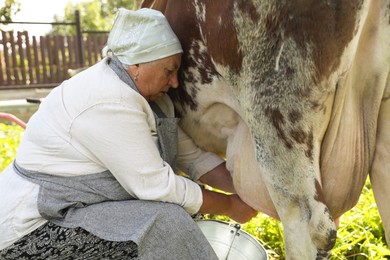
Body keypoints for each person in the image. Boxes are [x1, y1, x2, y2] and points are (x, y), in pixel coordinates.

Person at [0, 8, 257, 259]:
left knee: (185, 211)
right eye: (169, 70)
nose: (175, 82)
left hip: (76, 207)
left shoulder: (152, 100)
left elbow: (193, 159)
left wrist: (250, 191)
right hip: (32, 226)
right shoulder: (109, 100)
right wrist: (231, 206)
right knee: (166, 222)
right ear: (135, 65)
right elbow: (156, 187)